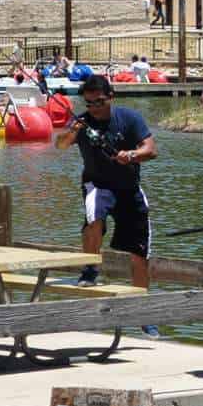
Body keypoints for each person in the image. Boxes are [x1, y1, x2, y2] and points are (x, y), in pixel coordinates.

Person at [53, 75, 156, 316]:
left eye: (99, 102)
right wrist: (72, 133)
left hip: (129, 188)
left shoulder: (130, 118)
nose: (94, 108)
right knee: (94, 216)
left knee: (140, 252)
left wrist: (131, 155)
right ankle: (89, 269)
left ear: (111, 97)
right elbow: (59, 145)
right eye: (88, 103)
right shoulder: (80, 122)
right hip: (97, 184)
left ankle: (142, 307)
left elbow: (151, 149)